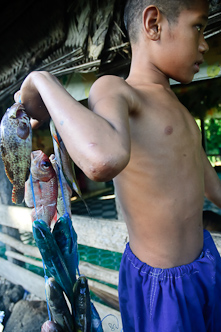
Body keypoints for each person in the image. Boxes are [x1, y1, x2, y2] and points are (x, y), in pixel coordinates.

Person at [14, 0, 221, 330]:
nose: (205, 42)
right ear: (153, 24)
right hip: (162, 286)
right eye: (198, 25)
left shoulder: (180, 112)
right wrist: (41, 81)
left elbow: (212, 187)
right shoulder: (118, 90)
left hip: (206, 264)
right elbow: (101, 159)